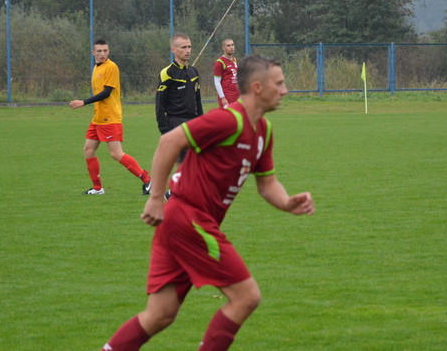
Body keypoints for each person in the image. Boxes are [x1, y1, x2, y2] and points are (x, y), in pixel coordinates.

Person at [101, 55, 315, 351]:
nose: (285, 90)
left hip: (180, 224)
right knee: (246, 297)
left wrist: (288, 203)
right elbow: (169, 142)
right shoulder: (228, 119)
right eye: (279, 84)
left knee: (160, 314)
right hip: (189, 219)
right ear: (257, 87)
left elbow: (267, 185)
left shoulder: (263, 131)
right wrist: (155, 199)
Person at [69, 39, 151, 196]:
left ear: (109, 51)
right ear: (93, 52)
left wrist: (83, 102)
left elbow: (106, 93)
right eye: (99, 51)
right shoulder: (96, 68)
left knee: (116, 154)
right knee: (88, 150)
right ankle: (97, 188)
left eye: (105, 51)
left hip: (109, 118)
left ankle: (147, 179)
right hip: (98, 118)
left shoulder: (111, 67)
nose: (102, 54)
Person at [156, 33, 203, 170]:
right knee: (183, 167)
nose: (188, 50)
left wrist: (202, 123)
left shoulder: (194, 72)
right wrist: (164, 130)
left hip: (193, 123)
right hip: (175, 124)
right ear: (173, 49)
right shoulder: (167, 73)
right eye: (183, 47)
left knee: (195, 165)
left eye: (189, 47)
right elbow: (159, 105)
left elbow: (198, 101)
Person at [212, 39, 239, 108]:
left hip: (236, 96)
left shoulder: (234, 60)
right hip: (227, 97)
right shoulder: (219, 62)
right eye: (228, 45)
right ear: (223, 48)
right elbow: (217, 82)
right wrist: (223, 98)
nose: (231, 47)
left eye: (232, 45)